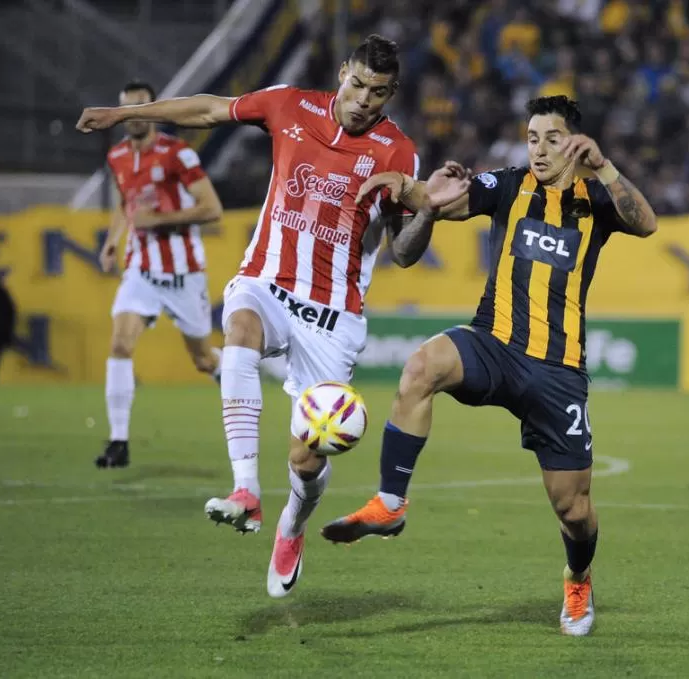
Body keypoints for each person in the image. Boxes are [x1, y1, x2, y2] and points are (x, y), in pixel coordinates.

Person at [76, 35, 468, 598]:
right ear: (342, 73)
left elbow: (403, 253)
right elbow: (210, 109)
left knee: (306, 460)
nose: (362, 100)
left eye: (377, 92)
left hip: (333, 316)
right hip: (267, 283)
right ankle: (245, 492)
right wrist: (127, 114)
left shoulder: (397, 152)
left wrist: (425, 207)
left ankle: (293, 524)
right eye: (356, 84)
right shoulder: (290, 105)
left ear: (391, 94)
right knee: (237, 330)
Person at [321, 95, 658, 636]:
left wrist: (606, 167)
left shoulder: (595, 198)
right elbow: (441, 197)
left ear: (575, 142)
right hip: (492, 344)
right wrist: (400, 183)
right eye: (532, 137)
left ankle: (578, 576)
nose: (539, 149)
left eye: (552, 138)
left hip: (557, 370)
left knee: (573, 509)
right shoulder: (507, 185)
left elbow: (647, 224)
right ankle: (390, 501)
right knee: (420, 367)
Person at [93, 81, 224, 470]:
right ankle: (119, 441)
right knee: (120, 344)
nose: (133, 116)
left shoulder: (176, 153)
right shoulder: (117, 156)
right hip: (141, 270)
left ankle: (227, 374)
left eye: (141, 107)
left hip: (184, 273)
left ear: (154, 109)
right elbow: (125, 201)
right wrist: (114, 240)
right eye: (127, 109)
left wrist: (159, 220)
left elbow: (211, 208)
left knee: (201, 359)